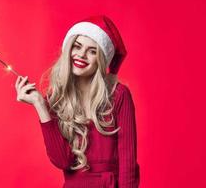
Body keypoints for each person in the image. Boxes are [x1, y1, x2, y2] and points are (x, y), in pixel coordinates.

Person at [15, 15, 140, 188]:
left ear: (102, 59)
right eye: (77, 46)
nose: (81, 55)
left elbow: (128, 165)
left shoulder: (118, 95)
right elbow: (62, 161)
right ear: (69, 49)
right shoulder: (56, 99)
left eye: (92, 51)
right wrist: (40, 105)